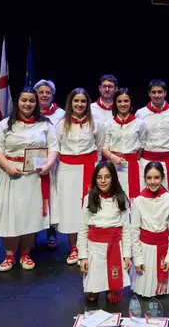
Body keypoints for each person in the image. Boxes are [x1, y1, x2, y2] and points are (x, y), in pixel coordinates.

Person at [0, 87, 59, 271]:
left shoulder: (45, 124)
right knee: (9, 214)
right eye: (24, 100)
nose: (28, 104)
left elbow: (54, 148)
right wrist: (8, 167)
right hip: (10, 174)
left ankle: (26, 254)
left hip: (34, 176)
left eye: (32, 101)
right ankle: (10, 255)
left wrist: (48, 165)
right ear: (17, 102)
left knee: (30, 215)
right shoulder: (4, 124)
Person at [56, 88, 105, 265]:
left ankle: (89, 245)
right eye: (76, 101)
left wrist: (96, 170)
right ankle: (74, 248)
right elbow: (56, 148)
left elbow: (99, 147)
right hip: (67, 170)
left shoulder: (96, 123)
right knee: (70, 210)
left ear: (87, 103)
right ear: (70, 103)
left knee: (90, 207)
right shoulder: (61, 124)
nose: (79, 104)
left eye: (83, 101)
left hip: (89, 169)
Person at [77, 161, 132, 303]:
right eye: (99, 177)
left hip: (114, 248)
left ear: (113, 178)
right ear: (95, 179)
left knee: (113, 298)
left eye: (107, 177)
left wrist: (127, 255)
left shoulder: (121, 199)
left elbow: (126, 229)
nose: (103, 181)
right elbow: (83, 229)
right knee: (91, 298)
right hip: (95, 250)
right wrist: (82, 256)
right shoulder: (89, 198)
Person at [130, 161, 169, 297]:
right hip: (145, 251)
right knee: (145, 294)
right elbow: (134, 232)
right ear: (144, 179)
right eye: (149, 178)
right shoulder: (138, 201)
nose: (153, 182)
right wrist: (137, 258)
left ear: (163, 178)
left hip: (164, 247)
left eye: (156, 177)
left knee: (165, 296)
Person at [34, 79, 65, 249]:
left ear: (53, 95)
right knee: (34, 197)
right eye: (41, 92)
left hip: (55, 161)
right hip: (34, 161)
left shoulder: (61, 114)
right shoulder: (29, 111)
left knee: (52, 197)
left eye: (48, 92)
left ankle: (51, 232)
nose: (44, 95)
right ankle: (31, 233)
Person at [102, 88, 146, 201]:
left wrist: (131, 158)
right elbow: (104, 147)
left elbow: (141, 146)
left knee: (134, 199)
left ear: (131, 102)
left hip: (133, 167)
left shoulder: (140, 123)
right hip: (114, 166)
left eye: (126, 101)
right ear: (115, 103)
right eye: (119, 101)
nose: (123, 104)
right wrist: (113, 157)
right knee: (114, 197)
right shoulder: (108, 124)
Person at [136, 80, 169, 192]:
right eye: (153, 92)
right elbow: (138, 139)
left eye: (160, 92)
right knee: (145, 192)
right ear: (149, 93)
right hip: (146, 159)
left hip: (167, 159)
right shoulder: (141, 113)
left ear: (165, 93)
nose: (157, 95)